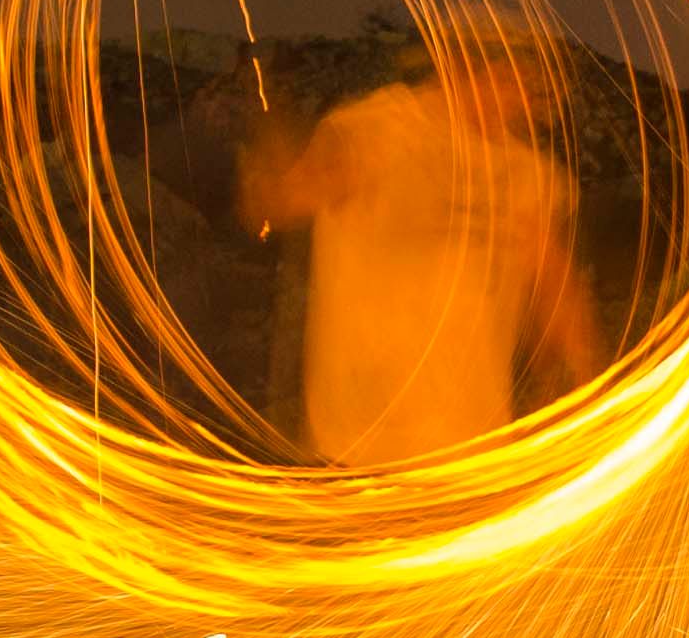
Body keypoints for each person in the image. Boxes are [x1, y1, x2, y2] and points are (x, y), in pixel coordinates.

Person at [241, 42, 605, 463]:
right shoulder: (378, 130)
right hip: (361, 448)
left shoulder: (527, 173)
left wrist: (584, 379)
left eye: (531, 84)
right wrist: (270, 176)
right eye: (509, 77)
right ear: (462, 67)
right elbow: (283, 201)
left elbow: (555, 282)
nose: (525, 97)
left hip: (471, 450)